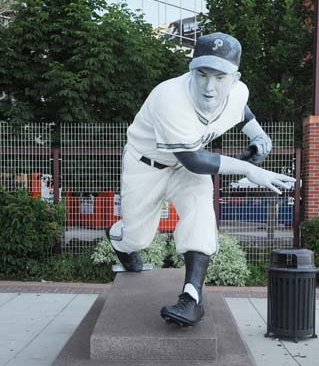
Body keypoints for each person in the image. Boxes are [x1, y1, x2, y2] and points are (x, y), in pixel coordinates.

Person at [107, 32, 295, 327]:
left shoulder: (238, 91)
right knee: (137, 237)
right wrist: (249, 169)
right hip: (146, 165)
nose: (210, 86)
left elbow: (242, 111)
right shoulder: (169, 96)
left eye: (220, 77)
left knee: (201, 215)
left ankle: (191, 299)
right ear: (191, 68)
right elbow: (195, 159)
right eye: (202, 74)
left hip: (185, 170)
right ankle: (119, 241)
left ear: (235, 78)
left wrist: (257, 134)